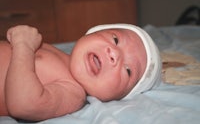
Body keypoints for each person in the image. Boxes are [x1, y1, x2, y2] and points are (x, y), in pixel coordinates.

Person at [0, 24, 161, 121]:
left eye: (128, 71)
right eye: (116, 40)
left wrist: (23, 46)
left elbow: (25, 104)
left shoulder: (73, 93)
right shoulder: (56, 53)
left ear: (119, 96)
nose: (115, 54)